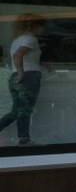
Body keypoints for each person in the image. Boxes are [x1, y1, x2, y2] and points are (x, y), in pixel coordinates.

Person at [0, 15, 45, 146]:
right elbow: (18, 55)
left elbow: (26, 58)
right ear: (36, 26)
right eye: (43, 26)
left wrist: (42, 64)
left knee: (16, 111)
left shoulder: (17, 40)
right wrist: (21, 73)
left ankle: (22, 137)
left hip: (15, 77)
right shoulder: (30, 39)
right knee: (25, 109)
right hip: (28, 77)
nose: (44, 29)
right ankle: (24, 139)